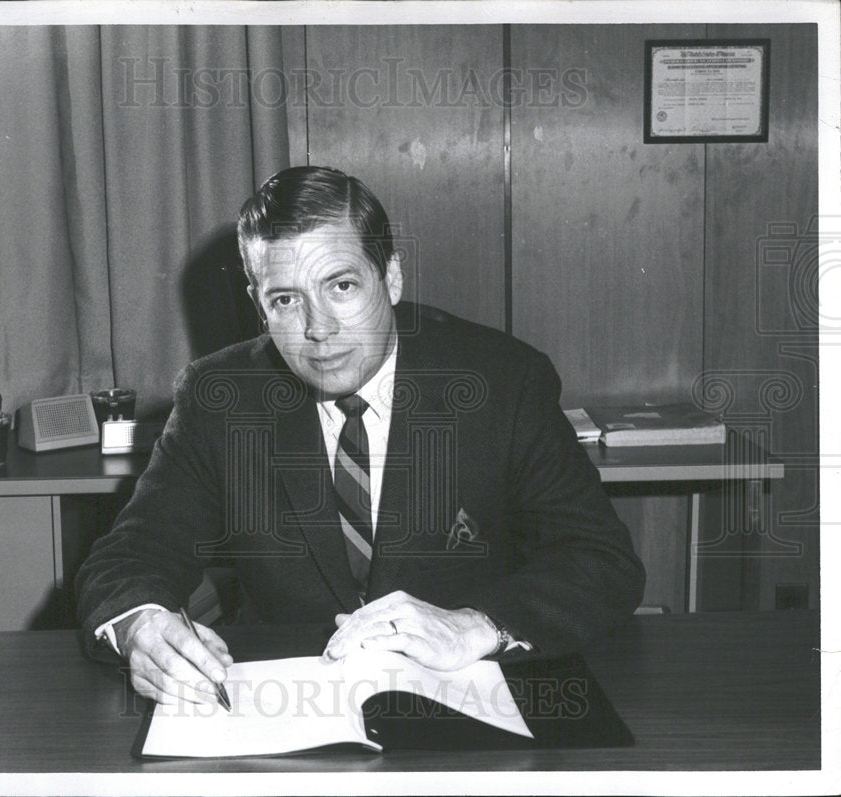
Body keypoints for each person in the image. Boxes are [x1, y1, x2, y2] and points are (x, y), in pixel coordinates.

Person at [75, 166, 645, 706]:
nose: (318, 329)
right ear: (259, 305)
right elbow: (130, 556)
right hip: (285, 706)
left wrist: (477, 625)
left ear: (391, 277)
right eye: (286, 300)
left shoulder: (501, 381)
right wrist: (137, 625)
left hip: (469, 695)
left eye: (341, 286)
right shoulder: (219, 396)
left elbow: (600, 560)